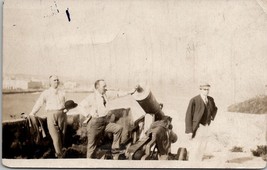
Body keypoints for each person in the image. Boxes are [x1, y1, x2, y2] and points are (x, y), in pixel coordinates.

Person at [78, 79, 137, 159]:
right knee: (91, 147)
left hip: (104, 122)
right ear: (97, 87)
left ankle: (114, 149)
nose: (106, 88)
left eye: (106, 86)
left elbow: (118, 94)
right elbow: (80, 106)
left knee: (118, 128)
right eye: (104, 86)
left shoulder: (106, 95)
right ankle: (89, 164)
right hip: (94, 124)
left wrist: (131, 91)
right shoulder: (92, 97)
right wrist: (88, 114)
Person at [29, 75, 68, 158]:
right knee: (55, 137)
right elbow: (39, 103)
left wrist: (66, 110)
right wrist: (32, 113)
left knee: (62, 136)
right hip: (51, 115)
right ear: (50, 82)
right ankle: (60, 156)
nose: (56, 81)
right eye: (54, 80)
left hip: (62, 115)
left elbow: (65, 104)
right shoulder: (45, 93)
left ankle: (59, 153)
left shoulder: (62, 92)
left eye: (57, 80)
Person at [185, 82, 218, 161]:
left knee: (203, 144)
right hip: (197, 126)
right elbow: (188, 115)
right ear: (200, 90)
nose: (206, 91)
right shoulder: (194, 100)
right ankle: (192, 162)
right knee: (196, 145)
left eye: (207, 89)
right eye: (204, 89)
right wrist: (189, 131)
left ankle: (199, 162)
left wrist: (212, 117)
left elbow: (215, 108)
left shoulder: (210, 99)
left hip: (206, 126)